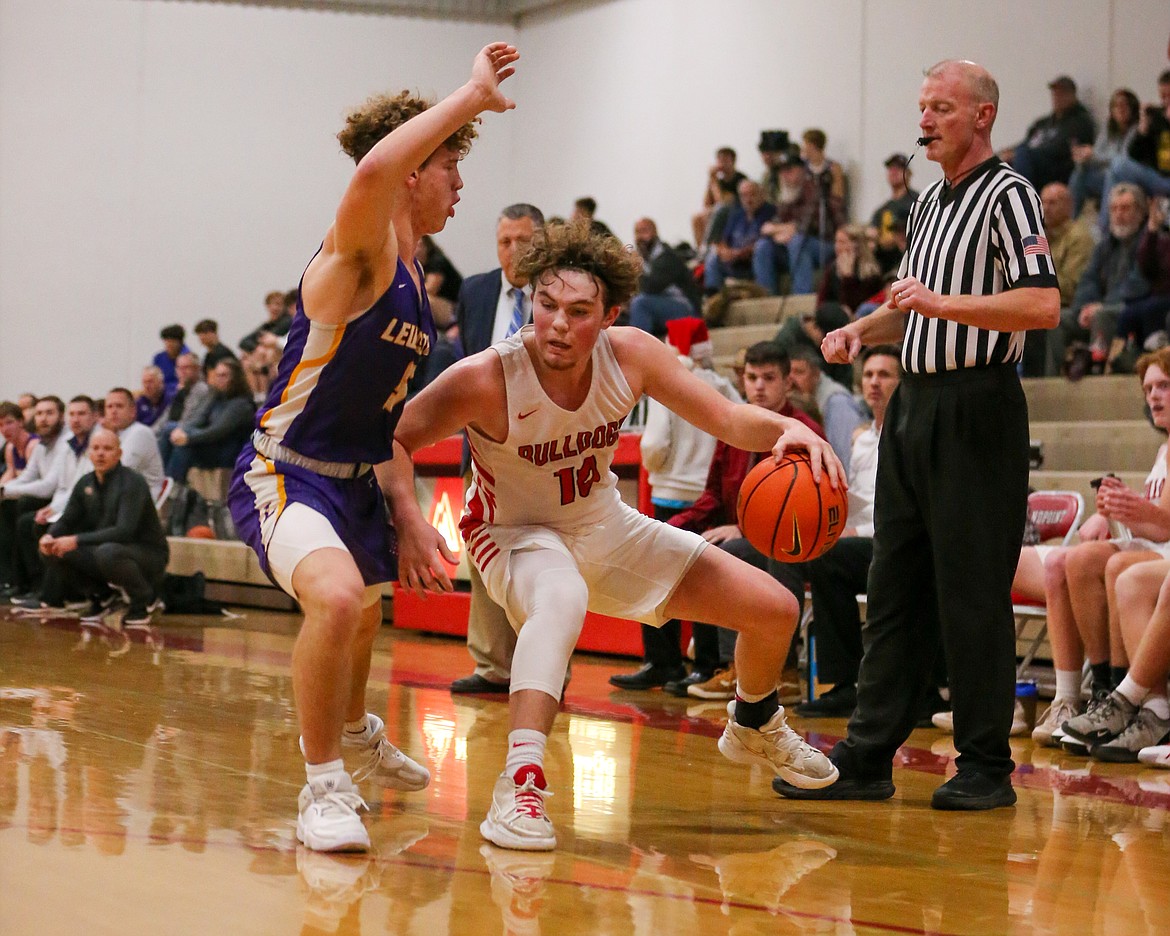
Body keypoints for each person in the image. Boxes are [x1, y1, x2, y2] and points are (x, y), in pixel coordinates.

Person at [395, 221, 845, 851]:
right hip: (512, 533)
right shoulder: (487, 376)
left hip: (603, 526)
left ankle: (754, 718)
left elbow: (726, 416)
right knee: (561, 598)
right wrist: (409, 521)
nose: (556, 324)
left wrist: (789, 431)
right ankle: (519, 783)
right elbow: (393, 436)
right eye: (545, 304)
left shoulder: (631, 354)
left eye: (578, 312)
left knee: (775, 609)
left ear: (608, 315)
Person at [226, 43, 521, 853]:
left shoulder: (416, 288)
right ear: (414, 170)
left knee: (361, 618)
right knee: (337, 600)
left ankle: (354, 731)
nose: (460, 188)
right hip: (283, 472)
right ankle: (322, 787)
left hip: (355, 480)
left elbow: (387, 420)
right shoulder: (356, 255)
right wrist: (469, 96)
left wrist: (410, 510)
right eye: (450, 170)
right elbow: (368, 176)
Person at [774, 60, 1059, 811]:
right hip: (912, 405)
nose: (924, 119)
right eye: (922, 106)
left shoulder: (1011, 194)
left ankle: (985, 765)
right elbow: (916, 303)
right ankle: (868, 753)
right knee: (893, 583)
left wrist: (941, 301)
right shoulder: (930, 202)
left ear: (982, 117)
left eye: (941, 107)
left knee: (969, 591)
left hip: (978, 409)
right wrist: (862, 327)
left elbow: (1040, 304)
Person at [608, 318, 742, 692]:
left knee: (656, 579)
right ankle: (708, 665)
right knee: (706, 584)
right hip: (710, 498)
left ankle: (663, 662)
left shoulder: (665, 382)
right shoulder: (725, 386)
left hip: (672, 496)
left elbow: (654, 446)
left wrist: (658, 469)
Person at [448, 202, 545, 695]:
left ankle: (543, 671)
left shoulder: (559, 290)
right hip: (483, 442)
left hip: (544, 445)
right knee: (482, 551)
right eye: (505, 241)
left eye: (523, 240)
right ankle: (492, 666)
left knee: (542, 558)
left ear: (542, 242)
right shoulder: (476, 289)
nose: (513, 250)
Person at [794, 346, 901, 718]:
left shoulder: (909, 434)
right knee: (818, 553)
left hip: (903, 542)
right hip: (868, 539)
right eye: (869, 375)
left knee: (832, 558)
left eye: (885, 375)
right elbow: (861, 499)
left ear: (903, 384)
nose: (874, 382)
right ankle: (840, 684)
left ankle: (863, 685)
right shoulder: (862, 439)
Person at [38, 428, 169, 626]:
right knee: (52, 550)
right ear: (89, 453)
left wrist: (76, 540)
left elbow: (124, 531)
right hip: (109, 549)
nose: (100, 453)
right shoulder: (85, 483)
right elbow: (67, 519)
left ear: (119, 454)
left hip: (148, 552)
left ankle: (144, 600)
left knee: (107, 552)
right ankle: (102, 596)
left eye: (107, 448)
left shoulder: (132, 482)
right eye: (96, 448)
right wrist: (50, 536)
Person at [162, 359, 254, 485]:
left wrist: (188, 437)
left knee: (184, 445)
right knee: (170, 428)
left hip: (226, 449)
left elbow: (217, 431)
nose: (219, 379)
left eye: (224, 376)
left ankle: (172, 487)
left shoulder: (241, 404)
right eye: (217, 375)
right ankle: (160, 479)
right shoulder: (216, 395)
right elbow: (199, 418)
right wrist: (182, 430)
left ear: (235, 378)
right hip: (209, 443)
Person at [1000, 74, 1096, 191]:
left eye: (1062, 93)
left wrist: (1022, 152)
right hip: (1033, 163)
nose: (1057, 97)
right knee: (998, 161)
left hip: (1057, 170)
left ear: (1072, 95)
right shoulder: (1043, 123)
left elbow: (1061, 149)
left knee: (1024, 154)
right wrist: (1009, 153)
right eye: (1055, 93)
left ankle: (1023, 198)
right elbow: (1027, 142)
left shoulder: (1080, 122)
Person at [1068, 88, 1141, 217]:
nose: (1120, 109)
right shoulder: (1108, 129)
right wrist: (1083, 159)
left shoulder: (1137, 130)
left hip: (1127, 177)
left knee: (1110, 175)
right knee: (1079, 174)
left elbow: (1123, 160)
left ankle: (1103, 226)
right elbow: (1096, 154)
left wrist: (1094, 155)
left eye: (1124, 105)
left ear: (1132, 108)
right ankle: (1070, 220)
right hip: (1103, 175)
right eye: (1116, 105)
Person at [787, 345, 864, 466]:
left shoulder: (838, 403)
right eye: (788, 374)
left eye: (799, 372)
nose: (791, 380)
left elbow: (848, 459)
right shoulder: (799, 400)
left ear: (816, 374)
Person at [627, 217, 702, 337]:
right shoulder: (644, 257)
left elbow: (651, 287)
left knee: (640, 303)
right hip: (660, 305)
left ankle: (638, 348)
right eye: (637, 232)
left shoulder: (667, 256)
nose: (640, 236)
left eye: (644, 231)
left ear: (655, 232)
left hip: (684, 307)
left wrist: (637, 268)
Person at [101, 388, 165, 501]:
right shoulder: (114, 435)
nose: (113, 411)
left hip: (140, 503)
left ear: (133, 411)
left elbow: (118, 473)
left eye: (119, 406)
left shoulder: (140, 433)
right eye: (109, 407)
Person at [153, 324, 190, 395]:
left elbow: (187, 382)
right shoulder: (159, 358)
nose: (169, 344)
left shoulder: (188, 359)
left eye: (172, 341)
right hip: (161, 395)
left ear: (180, 342)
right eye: (167, 341)